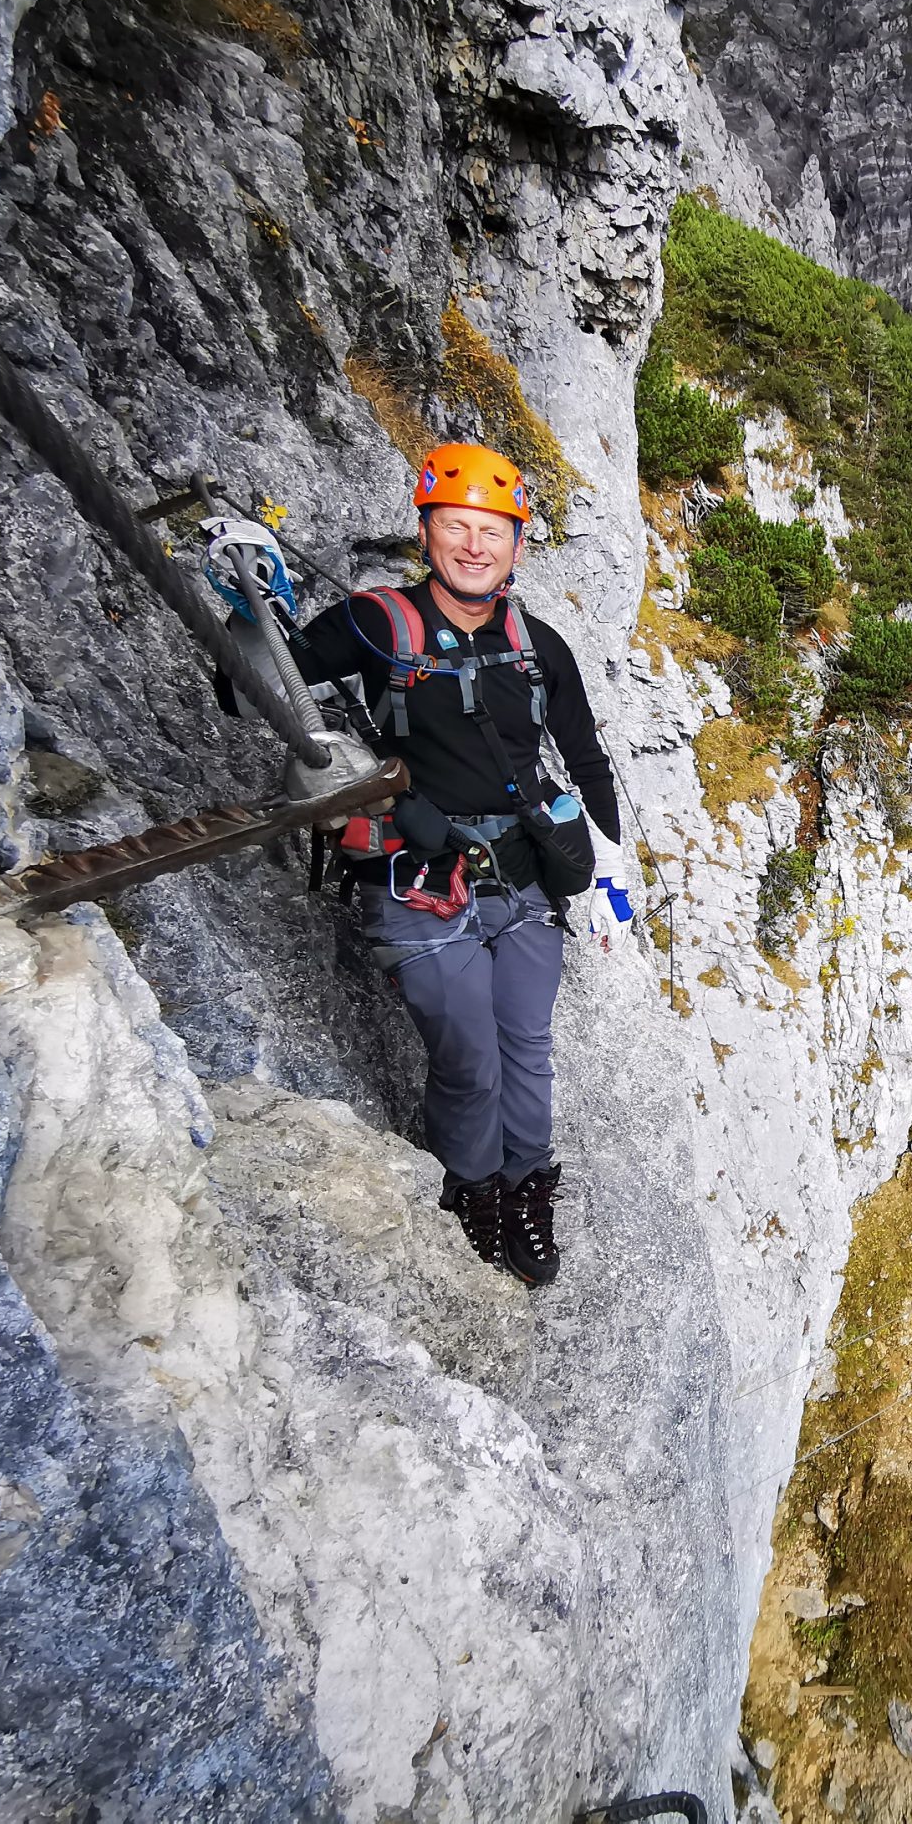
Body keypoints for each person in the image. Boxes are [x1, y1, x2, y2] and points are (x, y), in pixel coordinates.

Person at [289, 442, 620, 1287]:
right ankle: (474, 1190)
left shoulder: (536, 644)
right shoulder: (374, 625)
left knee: (528, 1045)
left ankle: (527, 1189)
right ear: (426, 531)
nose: (474, 546)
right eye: (455, 526)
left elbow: (583, 754)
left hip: (523, 882)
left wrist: (609, 868)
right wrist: (251, 618)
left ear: (517, 545)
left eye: (492, 531)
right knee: (470, 1056)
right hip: (421, 884)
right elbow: (267, 687)